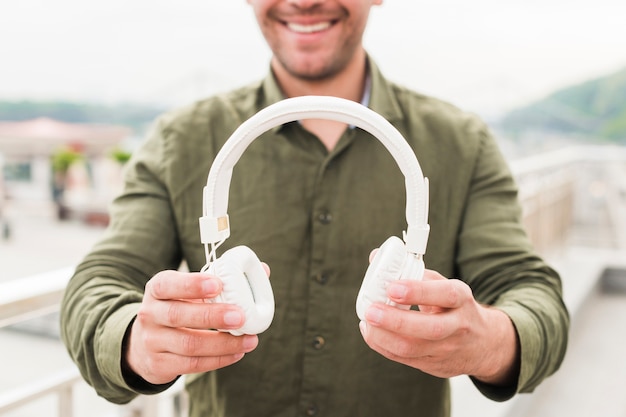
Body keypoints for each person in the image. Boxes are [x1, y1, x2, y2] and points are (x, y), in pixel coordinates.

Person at [60, 1, 569, 416]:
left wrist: (488, 340)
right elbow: (96, 287)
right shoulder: (182, 140)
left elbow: (534, 296)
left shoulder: (463, 144)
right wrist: (136, 341)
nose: (304, 1)